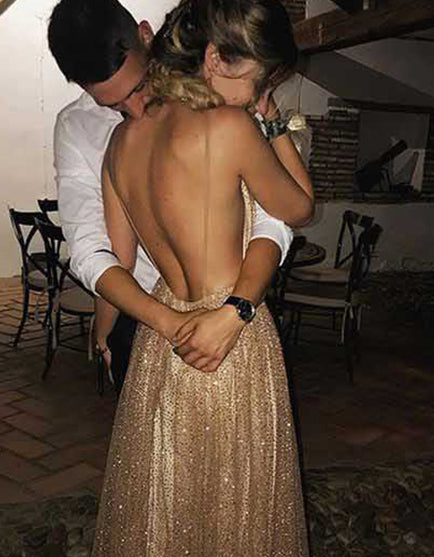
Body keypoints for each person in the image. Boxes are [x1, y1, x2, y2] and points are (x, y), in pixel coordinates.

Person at [54, 0, 326, 557]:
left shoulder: (120, 146)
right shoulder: (232, 128)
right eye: (253, 73)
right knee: (237, 538)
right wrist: (272, 121)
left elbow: (113, 259)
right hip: (232, 351)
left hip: (164, 355)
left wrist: (112, 328)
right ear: (215, 60)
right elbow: (298, 210)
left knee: (164, 540)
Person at [49, 0, 293, 390]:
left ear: (146, 36)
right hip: (141, 315)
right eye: (112, 104)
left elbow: (273, 216)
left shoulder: (216, 91)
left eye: (138, 87)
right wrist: (115, 329)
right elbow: (93, 249)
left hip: (233, 312)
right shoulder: (75, 127)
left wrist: (237, 309)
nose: (135, 108)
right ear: (82, 87)